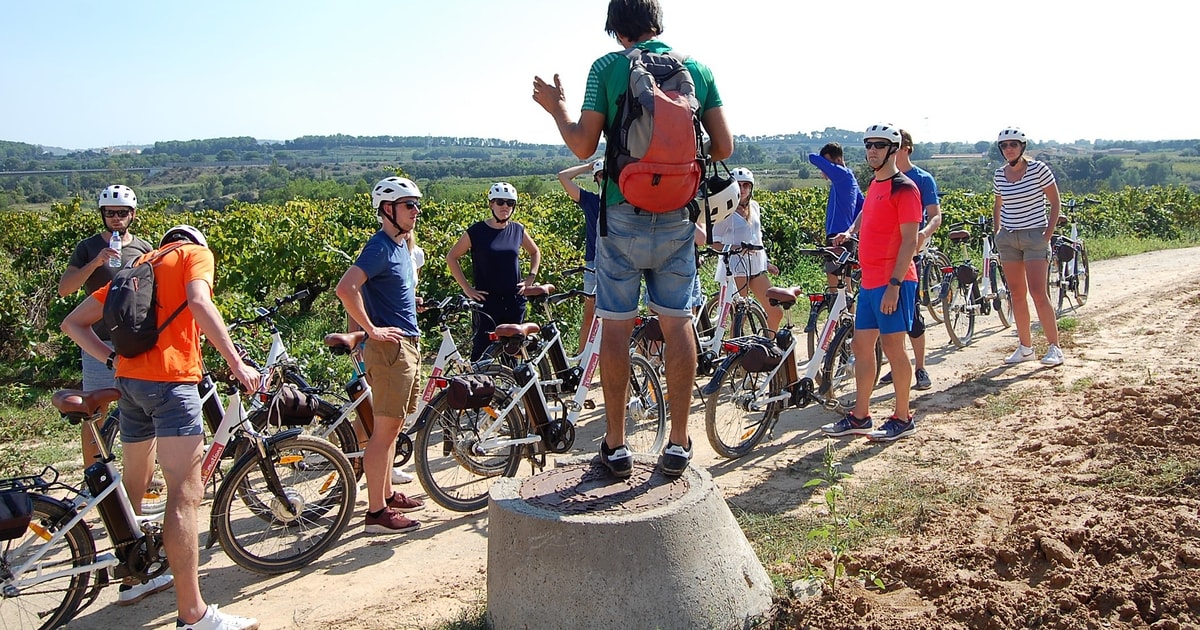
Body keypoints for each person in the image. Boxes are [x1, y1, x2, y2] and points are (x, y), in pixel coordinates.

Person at [532, 0, 734, 478]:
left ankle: (617, 445)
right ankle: (680, 443)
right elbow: (724, 147)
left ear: (615, 29)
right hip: (678, 219)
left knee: (617, 327)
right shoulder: (697, 69)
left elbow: (583, 145)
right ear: (655, 21)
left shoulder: (606, 67)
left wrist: (556, 108)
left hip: (622, 213)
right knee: (677, 321)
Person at [62, 224, 261, 630]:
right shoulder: (194, 256)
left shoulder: (137, 265)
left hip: (130, 384)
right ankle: (194, 614)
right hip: (171, 385)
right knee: (186, 495)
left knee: (137, 477)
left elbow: (72, 323)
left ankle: (133, 576)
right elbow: (200, 302)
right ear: (196, 245)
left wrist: (112, 361)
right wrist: (236, 362)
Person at [335, 176, 428, 535]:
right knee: (384, 432)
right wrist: (371, 330)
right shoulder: (378, 248)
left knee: (391, 428)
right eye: (409, 205)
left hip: (405, 346)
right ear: (387, 210)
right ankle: (376, 513)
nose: (416, 211)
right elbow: (346, 288)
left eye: (417, 205)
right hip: (390, 352)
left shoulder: (400, 246)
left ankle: (387, 495)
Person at [823, 123, 922, 442]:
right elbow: (867, 213)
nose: (872, 151)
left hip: (894, 281)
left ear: (894, 150)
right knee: (861, 345)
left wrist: (894, 284)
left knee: (894, 348)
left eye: (879, 146)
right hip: (870, 281)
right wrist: (850, 232)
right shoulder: (877, 184)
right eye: (868, 145)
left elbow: (910, 241)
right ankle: (861, 415)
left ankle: (903, 417)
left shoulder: (904, 188)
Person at [58, 184, 154, 473]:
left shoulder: (144, 248)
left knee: (140, 410)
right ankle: (94, 477)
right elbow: (65, 289)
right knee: (95, 413)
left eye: (122, 213)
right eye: (110, 213)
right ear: (102, 214)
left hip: (135, 343)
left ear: (132, 215)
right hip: (98, 342)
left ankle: (141, 476)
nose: (116, 218)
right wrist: (95, 263)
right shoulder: (88, 247)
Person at [446, 182, 542, 361]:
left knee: (512, 352)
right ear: (491, 204)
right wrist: (467, 289)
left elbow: (535, 252)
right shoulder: (476, 232)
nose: (505, 206)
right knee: (482, 351)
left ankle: (511, 387)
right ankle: (477, 387)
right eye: (500, 202)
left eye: (509, 203)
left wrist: (531, 278)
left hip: (514, 300)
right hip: (487, 302)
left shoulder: (518, 230)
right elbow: (452, 257)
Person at [992, 127, 1064, 366]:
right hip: (1009, 238)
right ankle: (1025, 347)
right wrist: (997, 232)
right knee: (1016, 294)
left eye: (1013, 144)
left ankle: (1054, 347)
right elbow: (998, 204)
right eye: (1004, 145)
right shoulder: (999, 175)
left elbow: (1055, 202)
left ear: (1022, 146)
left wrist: (1046, 235)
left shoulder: (1038, 169)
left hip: (1034, 237)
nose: (1009, 149)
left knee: (1038, 292)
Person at [878, 130, 942, 391]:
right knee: (892, 316)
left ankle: (920, 368)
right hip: (885, 257)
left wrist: (924, 234)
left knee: (912, 315)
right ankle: (898, 365)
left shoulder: (921, 179)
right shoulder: (883, 178)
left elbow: (935, 215)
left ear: (905, 148)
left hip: (911, 255)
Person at [710, 167, 782, 334]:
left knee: (775, 312)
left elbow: (758, 238)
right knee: (741, 315)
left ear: (751, 188)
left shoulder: (755, 207)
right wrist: (735, 248)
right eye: (739, 185)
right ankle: (734, 355)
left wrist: (767, 262)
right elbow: (714, 242)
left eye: (746, 186)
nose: (742, 190)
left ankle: (767, 348)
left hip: (756, 265)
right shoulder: (726, 211)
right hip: (736, 266)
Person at [557, 159, 604, 352]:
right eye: (600, 175)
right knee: (589, 315)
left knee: (621, 317)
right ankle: (583, 360)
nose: (604, 178)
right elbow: (563, 176)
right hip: (594, 263)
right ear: (596, 179)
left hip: (618, 263)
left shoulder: (623, 202)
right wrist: (588, 166)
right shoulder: (590, 201)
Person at [808, 143, 865, 292]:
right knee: (845, 287)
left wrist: (825, 164)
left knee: (834, 288)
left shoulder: (842, 175)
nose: (824, 171)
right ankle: (849, 316)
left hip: (838, 237)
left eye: (827, 165)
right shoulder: (850, 179)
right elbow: (863, 206)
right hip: (847, 237)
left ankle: (837, 316)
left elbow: (812, 158)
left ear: (839, 160)